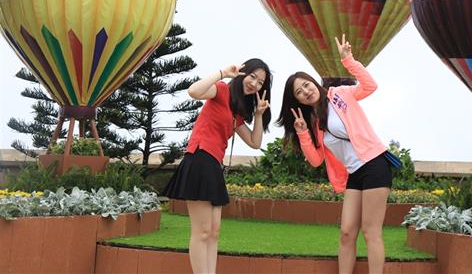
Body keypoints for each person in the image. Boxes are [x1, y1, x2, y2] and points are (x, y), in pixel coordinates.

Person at [277, 34, 392, 274]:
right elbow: (316, 160)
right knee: (346, 232)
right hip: (354, 174)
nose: (306, 91)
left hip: (374, 164)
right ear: (296, 100)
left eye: (306, 85)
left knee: (371, 232)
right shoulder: (312, 123)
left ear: (314, 82)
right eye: (299, 92)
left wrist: (349, 61)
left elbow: (370, 86)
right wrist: (302, 133)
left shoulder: (340, 93)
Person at [164, 59, 272, 274]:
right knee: (202, 231)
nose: (255, 84)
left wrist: (259, 115)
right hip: (200, 158)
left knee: (213, 232)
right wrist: (223, 73)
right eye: (252, 76)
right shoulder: (221, 90)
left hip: (213, 164)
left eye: (260, 83)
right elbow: (194, 91)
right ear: (242, 73)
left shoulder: (237, 113)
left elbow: (255, 142)